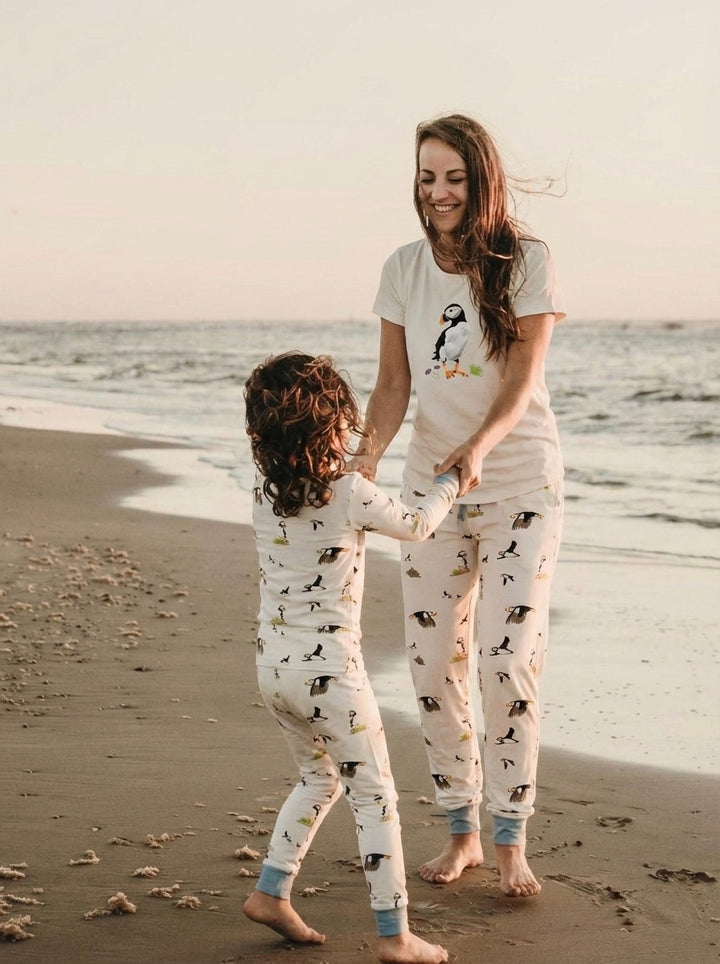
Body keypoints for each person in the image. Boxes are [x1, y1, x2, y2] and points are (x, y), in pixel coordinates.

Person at [350, 113, 565, 898]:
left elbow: (522, 379)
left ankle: (510, 837)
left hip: (518, 487)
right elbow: (393, 385)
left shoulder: (527, 262)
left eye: (454, 178)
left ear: (482, 181)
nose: (438, 192)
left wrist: (477, 447)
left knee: (507, 662)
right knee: (434, 663)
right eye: (427, 177)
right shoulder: (402, 269)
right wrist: (363, 461)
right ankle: (462, 832)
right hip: (430, 497)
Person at [242, 351, 458, 963]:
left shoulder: (264, 494)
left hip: (274, 670)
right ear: (334, 425)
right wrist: (451, 482)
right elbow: (415, 524)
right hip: (332, 677)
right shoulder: (349, 492)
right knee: (375, 795)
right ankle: (395, 936)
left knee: (319, 778)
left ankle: (271, 892)